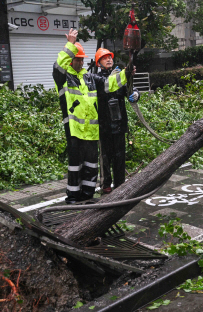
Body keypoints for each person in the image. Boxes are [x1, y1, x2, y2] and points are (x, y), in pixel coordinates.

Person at [53, 29, 131, 204]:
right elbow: (58, 64)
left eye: (81, 59)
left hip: (91, 131)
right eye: (77, 58)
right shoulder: (63, 78)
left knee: (91, 165)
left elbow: (109, 84)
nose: (80, 61)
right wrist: (70, 45)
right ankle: (73, 196)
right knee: (75, 165)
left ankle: (88, 194)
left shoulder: (89, 78)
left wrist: (125, 74)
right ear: (70, 60)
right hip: (74, 130)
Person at [92, 48, 140, 194]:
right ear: (98, 63)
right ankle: (106, 184)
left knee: (119, 155)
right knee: (105, 156)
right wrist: (124, 74)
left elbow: (131, 89)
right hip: (104, 124)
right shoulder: (96, 79)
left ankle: (120, 184)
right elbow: (108, 84)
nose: (109, 59)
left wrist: (135, 94)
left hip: (119, 124)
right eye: (104, 58)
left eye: (110, 57)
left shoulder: (120, 77)